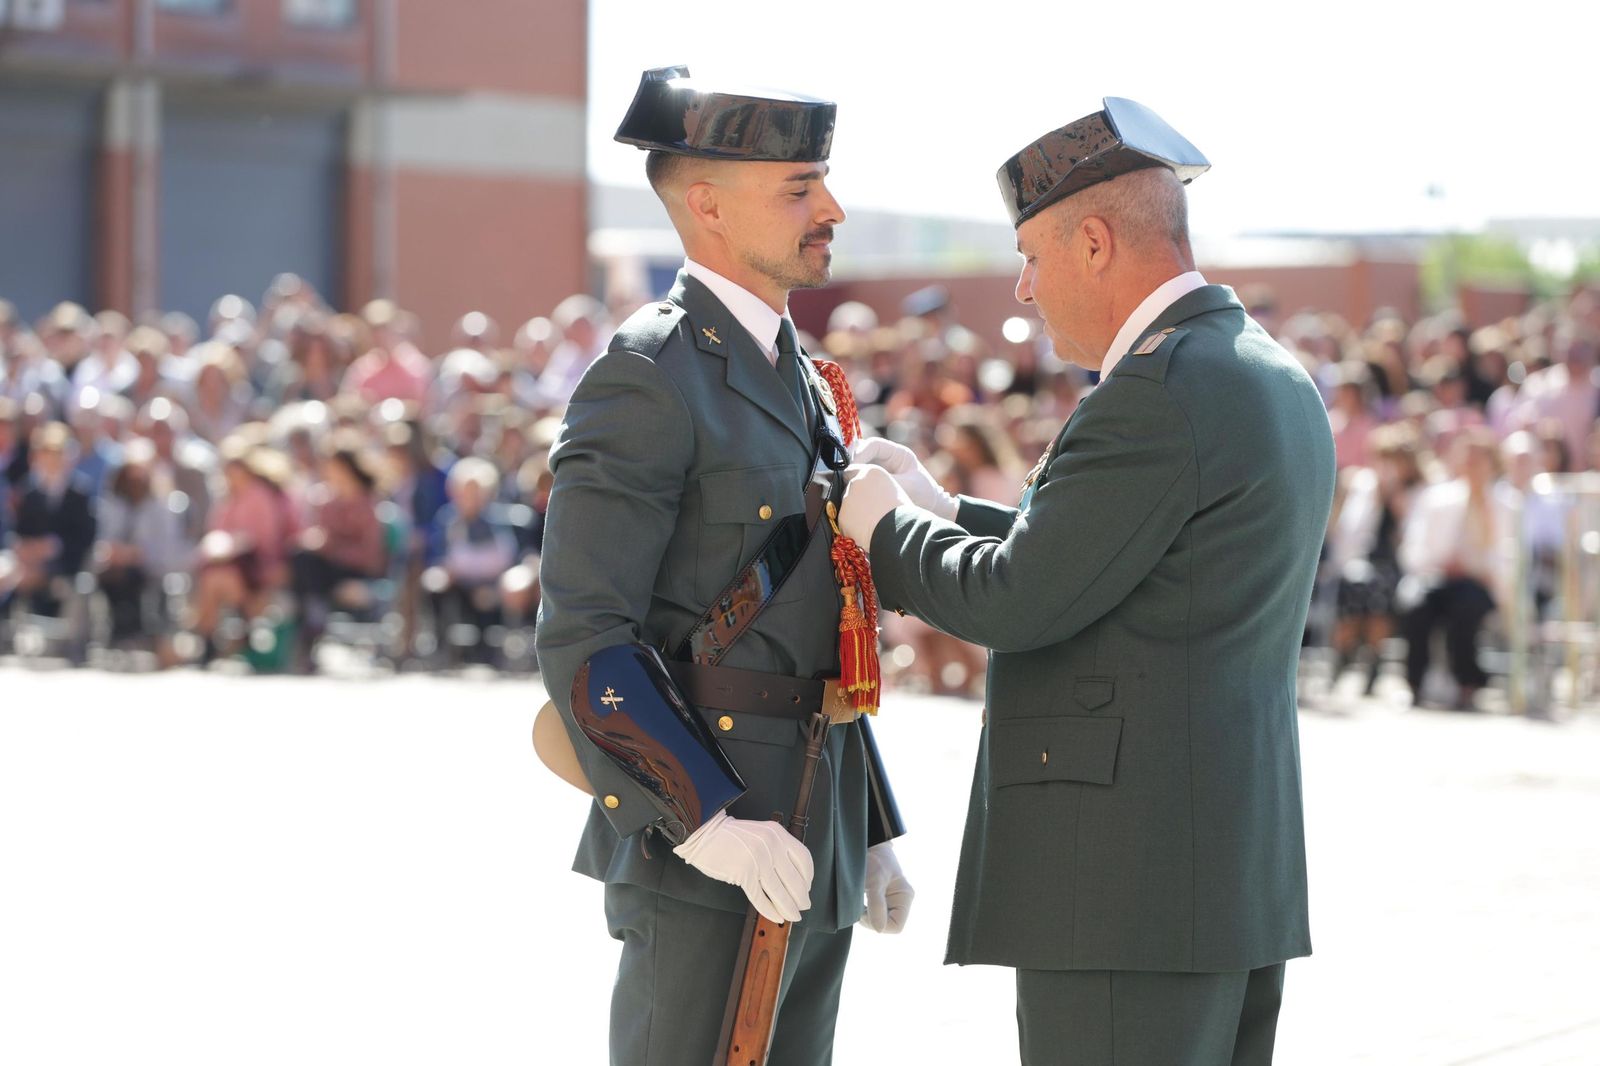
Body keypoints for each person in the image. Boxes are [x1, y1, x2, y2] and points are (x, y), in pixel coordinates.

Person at [840, 98, 1334, 1065]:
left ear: (1096, 242)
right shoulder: (1257, 370)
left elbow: (1018, 599)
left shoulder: (1158, 389)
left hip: (1125, 882)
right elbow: (1107, 558)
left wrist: (884, 530)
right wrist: (944, 509)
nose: (1023, 287)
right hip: (1215, 863)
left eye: (1032, 254)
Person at [534, 67, 911, 1065]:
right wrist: (707, 821)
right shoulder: (648, 374)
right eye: (798, 187)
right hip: (702, 832)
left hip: (811, 816)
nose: (830, 208)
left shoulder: (811, 380)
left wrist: (865, 825)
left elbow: (821, 612)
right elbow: (584, 631)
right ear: (705, 202)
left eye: (822, 182)